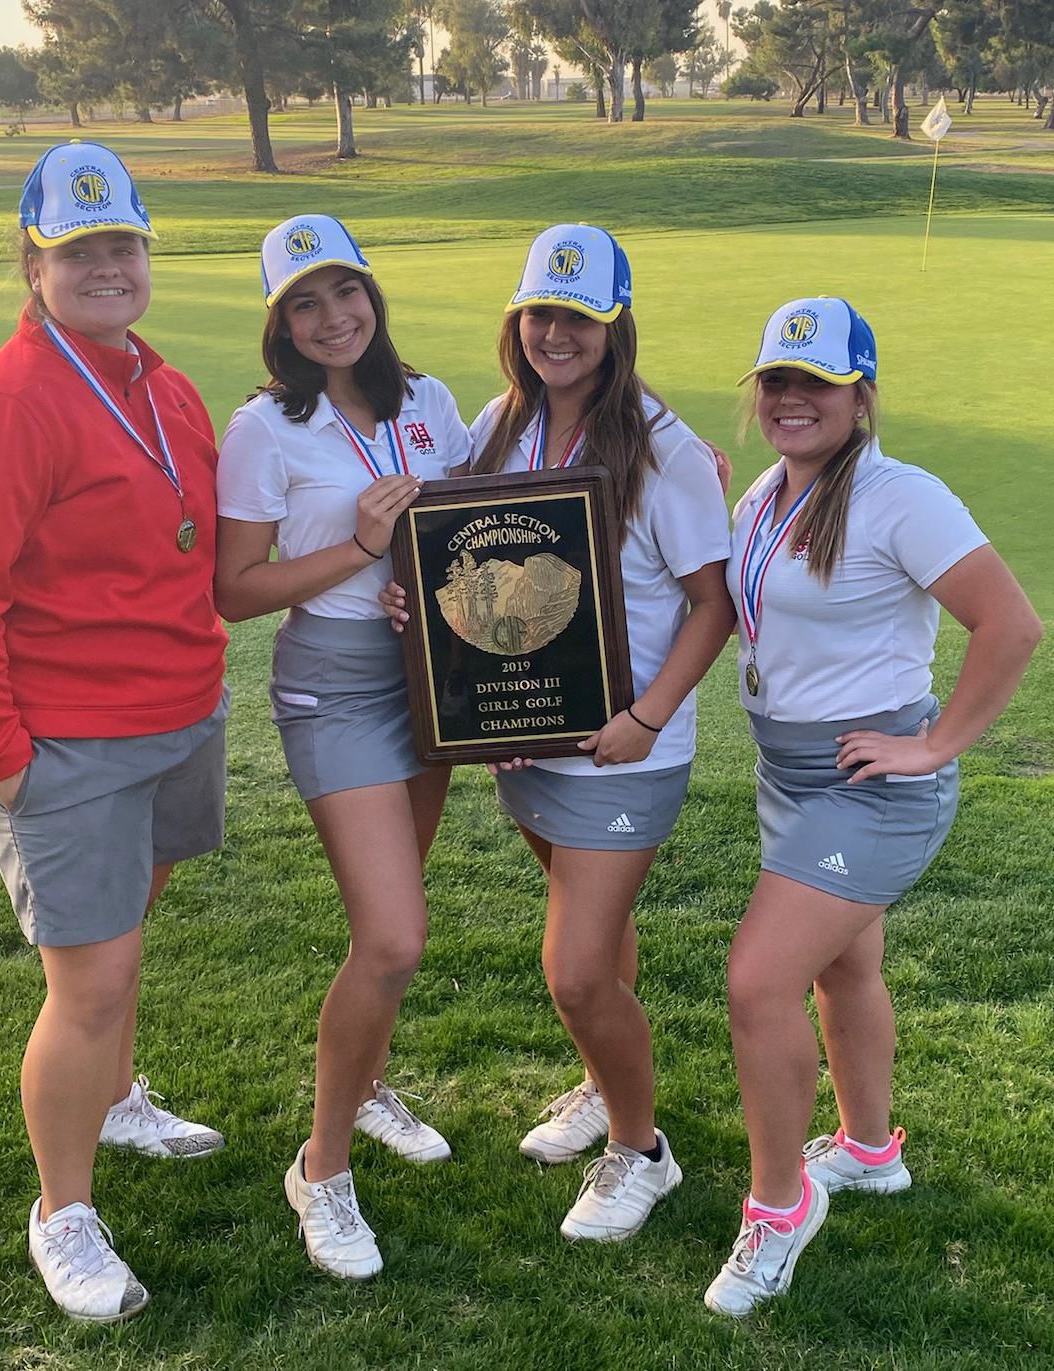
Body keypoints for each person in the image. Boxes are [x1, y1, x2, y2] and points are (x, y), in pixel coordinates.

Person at [0, 142, 230, 1323]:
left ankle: (118, 1096)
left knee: (128, 930)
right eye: (76, 251)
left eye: (121, 245)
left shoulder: (163, 383)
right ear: (33, 263)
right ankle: (64, 1212)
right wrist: (6, 761)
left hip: (174, 717)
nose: (105, 267)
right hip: (63, 746)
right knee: (89, 983)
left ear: (144, 251)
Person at [390, 223, 735, 1241]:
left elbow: (709, 604)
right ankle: (599, 1081)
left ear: (614, 326)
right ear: (516, 320)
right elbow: (460, 558)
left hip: (623, 750)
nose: (557, 334)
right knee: (595, 933)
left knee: (576, 970)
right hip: (522, 741)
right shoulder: (500, 424)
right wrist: (432, 626)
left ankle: (641, 1149)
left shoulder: (660, 445)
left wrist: (644, 716)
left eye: (579, 317)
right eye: (541, 312)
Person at [703, 296, 1042, 1317]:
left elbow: (1010, 625)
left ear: (860, 396)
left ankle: (776, 1208)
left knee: (756, 982)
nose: (793, 398)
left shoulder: (901, 496)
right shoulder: (764, 492)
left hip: (868, 784)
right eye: (777, 379)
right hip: (788, 775)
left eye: (818, 382)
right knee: (842, 967)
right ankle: (865, 1149)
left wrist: (932, 744)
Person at [214, 215, 471, 1280]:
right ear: (279, 322)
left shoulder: (431, 400)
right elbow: (234, 592)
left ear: (371, 294)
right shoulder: (265, 426)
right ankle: (321, 1169)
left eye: (344, 293)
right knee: (395, 938)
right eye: (304, 304)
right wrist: (359, 548)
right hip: (335, 686)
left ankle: (363, 1088)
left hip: (432, 683)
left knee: (391, 915)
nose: (332, 319)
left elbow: (472, 521)